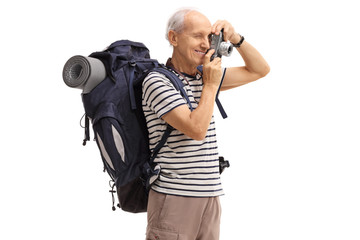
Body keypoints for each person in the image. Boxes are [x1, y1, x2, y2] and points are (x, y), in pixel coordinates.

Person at [142, 8, 270, 240]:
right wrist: (211, 85)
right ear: (174, 38)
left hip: (210, 196)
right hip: (175, 197)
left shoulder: (203, 75)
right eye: (197, 36)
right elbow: (196, 129)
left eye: (209, 37)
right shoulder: (156, 81)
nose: (206, 44)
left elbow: (260, 70)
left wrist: (235, 38)